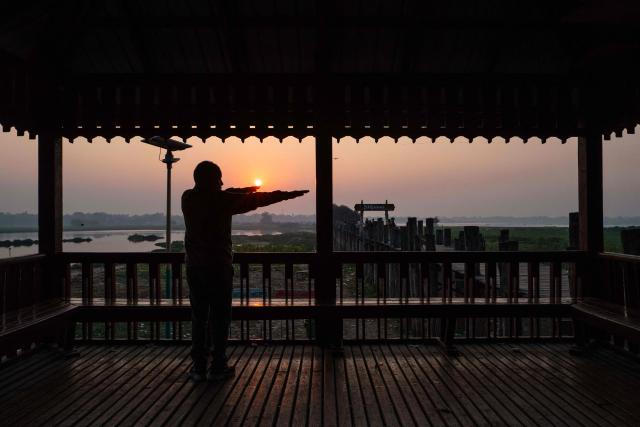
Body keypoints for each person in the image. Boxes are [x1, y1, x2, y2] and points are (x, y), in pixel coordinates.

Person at [182, 161, 308, 382]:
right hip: (218, 267)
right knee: (220, 316)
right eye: (219, 178)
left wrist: (246, 189)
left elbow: (229, 193)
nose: (222, 182)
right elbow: (256, 200)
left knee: (199, 317)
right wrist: (287, 195)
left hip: (194, 268)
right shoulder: (222, 201)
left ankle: (199, 366)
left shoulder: (188, 198)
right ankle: (218, 365)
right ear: (213, 180)